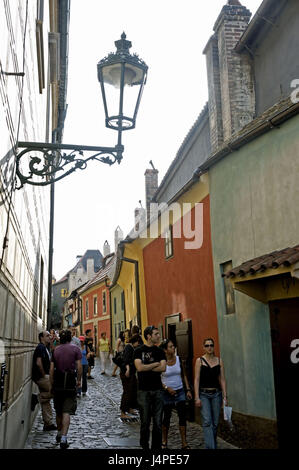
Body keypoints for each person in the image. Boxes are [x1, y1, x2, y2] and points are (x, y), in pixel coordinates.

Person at [134, 325, 166, 451]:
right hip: (143, 390)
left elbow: (163, 368)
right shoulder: (138, 351)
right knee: (145, 422)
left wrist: (146, 367)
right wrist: (154, 364)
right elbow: (139, 368)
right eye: (156, 334)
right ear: (149, 336)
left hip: (158, 390)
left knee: (158, 423)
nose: (158, 336)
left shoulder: (160, 351)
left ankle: (156, 448)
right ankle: (145, 446)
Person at [50, 329, 82, 449]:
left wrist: (51, 383)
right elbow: (79, 367)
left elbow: (51, 369)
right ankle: (64, 438)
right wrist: (79, 380)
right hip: (69, 381)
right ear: (70, 338)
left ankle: (59, 432)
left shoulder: (55, 350)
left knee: (58, 409)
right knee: (66, 411)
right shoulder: (75, 349)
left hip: (58, 380)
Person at [194, 338, 228, 449]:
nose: (209, 347)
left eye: (211, 345)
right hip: (204, 394)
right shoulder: (199, 361)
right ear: (204, 347)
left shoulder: (219, 361)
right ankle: (211, 447)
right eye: (207, 345)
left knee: (215, 423)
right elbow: (197, 379)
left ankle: (211, 445)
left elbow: (222, 379)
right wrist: (197, 397)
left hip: (216, 394)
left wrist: (225, 396)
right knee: (207, 421)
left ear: (214, 347)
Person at [160, 339, 192, 449]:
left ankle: (184, 442)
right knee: (166, 417)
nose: (173, 348)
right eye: (170, 347)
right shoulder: (162, 362)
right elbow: (158, 379)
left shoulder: (179, 359)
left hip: (180, 391)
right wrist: (166, 388)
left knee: (182, 417)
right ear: (165, 350)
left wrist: (187, 389)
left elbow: (184, 375)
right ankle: (164, 440)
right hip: (166, 393)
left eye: (173, 346)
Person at [32, 331, 57, 431]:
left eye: (49, 335)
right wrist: (44, 375)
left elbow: (54, 352)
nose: (49, 337)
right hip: (41, 377)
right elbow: (38, 363)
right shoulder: (40, 347)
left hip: (44, 376)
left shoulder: (45, 347)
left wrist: (51, 342)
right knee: (56, 391)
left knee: (46, 401)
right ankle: (37, 398)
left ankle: (48, 423)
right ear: (41, 337)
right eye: (47, 336)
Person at [119, 334, 143, 419]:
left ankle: (130, 408)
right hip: (126, 373)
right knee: (127, 392)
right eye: (138, 343)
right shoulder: (129, 348)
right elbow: (126, 360)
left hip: (131, 373)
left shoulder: (132, 347)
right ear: (135, 341)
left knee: (133, 390)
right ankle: (123, 412)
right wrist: (128, 369)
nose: (139, 345)